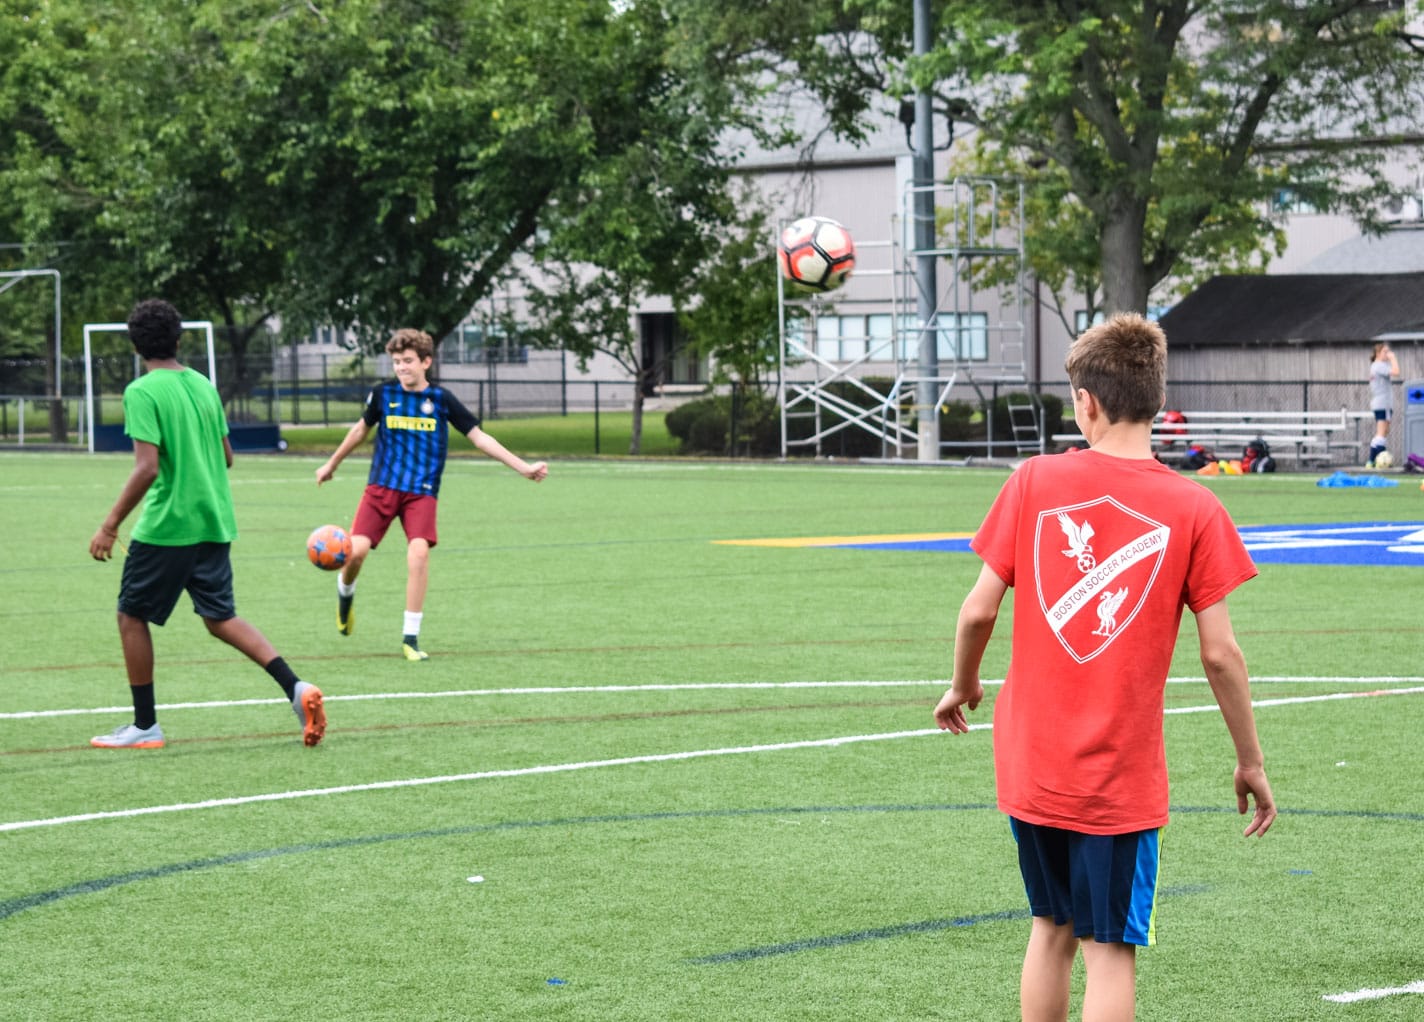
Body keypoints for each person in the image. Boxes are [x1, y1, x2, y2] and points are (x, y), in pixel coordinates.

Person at [933, 313, 1275, 1022]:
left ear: (1086, 402)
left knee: (1050, 929)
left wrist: (965, 683)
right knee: (1109, 949)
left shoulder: (1033, 480)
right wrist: (1250, 760)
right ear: (1154, 397)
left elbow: (976, 612)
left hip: (1032, 763)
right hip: (1116, 777)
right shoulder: (1196, 507)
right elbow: (1220, 654)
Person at [89, 299, 325, 749]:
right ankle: (296, 688)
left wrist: (110, 524)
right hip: (214, 521)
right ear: (180, 339)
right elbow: (227, 457)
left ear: (136, 346)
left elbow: (147, 469)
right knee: (220, 618)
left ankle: (144, 726)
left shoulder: (141, 392)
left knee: (131, 615)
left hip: (167, 526)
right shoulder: (203, 385)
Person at [315, 327, 548, 660]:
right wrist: (331, 464)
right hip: (381, 489)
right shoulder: (383, 395)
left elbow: (480, 438)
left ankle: (410, 639)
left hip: (420, 493)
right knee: (355, 554)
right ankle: (345, 592)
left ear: (426, 361)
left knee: (419, 554)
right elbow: (359, 431)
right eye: (396, 361)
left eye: (408, 361)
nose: (401, 367)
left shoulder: (441, 400)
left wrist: (523, 467)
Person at [1366, 341, 1400, 468]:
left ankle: (1372, 460)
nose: (1388, 354)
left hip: (1381, 403)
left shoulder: (1376, 366)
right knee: (1381, 432)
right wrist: (1393, 358)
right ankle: (1378, 459)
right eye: (1385, 352)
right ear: (1378, 353)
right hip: (1382, 403)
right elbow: (1396, 371)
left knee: (1384, 432)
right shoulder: (1379, 365)